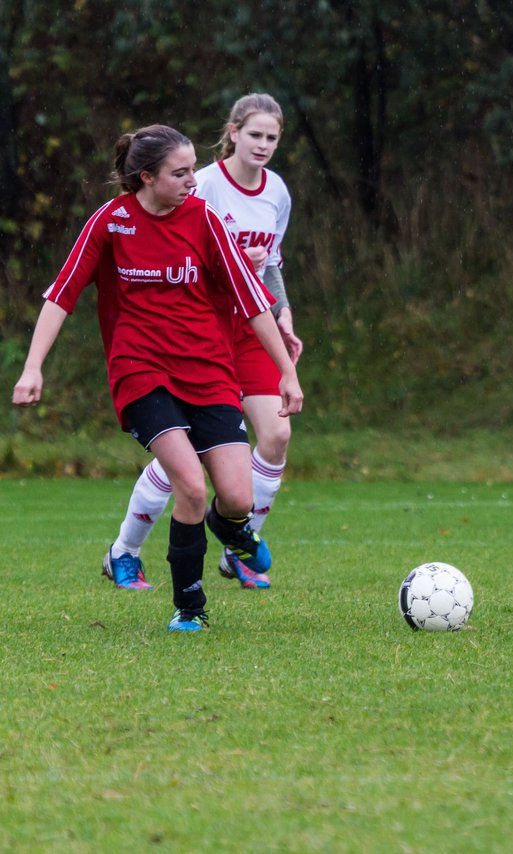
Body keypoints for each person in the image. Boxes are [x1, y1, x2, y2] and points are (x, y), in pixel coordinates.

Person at [11, 124, 303, 631]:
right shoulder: (111, 222)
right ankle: (190, 608)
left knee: (236, 497)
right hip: (142, 371)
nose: (194, 179)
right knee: (189, 484)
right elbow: (62, 293)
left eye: (193, 168)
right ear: (146, 177)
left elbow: (252, 299)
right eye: (181, 172)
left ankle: (226, 526)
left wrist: (285, 372)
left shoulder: (204, 220)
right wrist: (33, 366)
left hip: (209, 370)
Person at [103, 93, 299, 591]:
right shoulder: (201, 187)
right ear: (232, 132)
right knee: (185, 461)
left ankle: (239, 543)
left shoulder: (277, 192)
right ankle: (125, 549)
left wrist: (285, 317)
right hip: (201, 331)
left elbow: (269, 266)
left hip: (252, 324)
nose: (263, 144)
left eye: (272, 137)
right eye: (254, 134)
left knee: (275, 435)